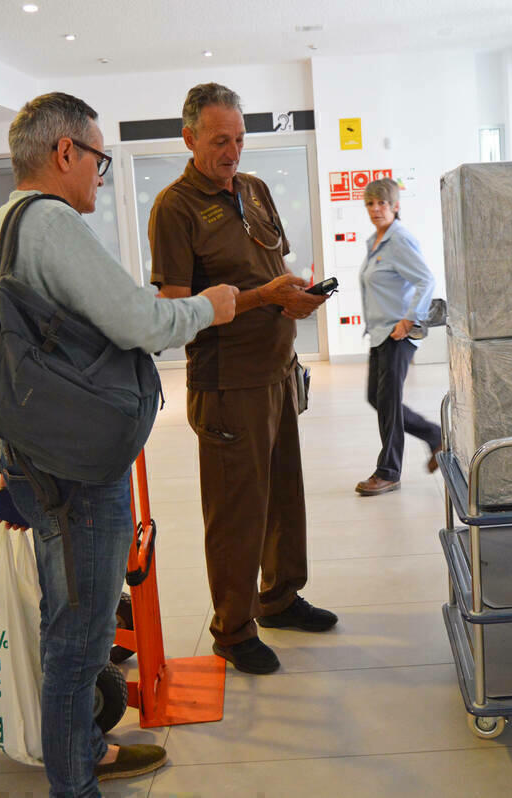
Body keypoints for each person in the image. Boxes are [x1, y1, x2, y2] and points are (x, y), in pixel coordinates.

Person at [0, 92, 238, 798]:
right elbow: (138, 319)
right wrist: (211, 307)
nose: (98, 174)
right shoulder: (50, 223)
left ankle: (86, 747)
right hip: (79, 468)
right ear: (65, 154)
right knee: (78, 639)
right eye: (97, 159)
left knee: (71, 616)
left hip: (32, 456)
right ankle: (75, 782)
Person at [149, 82, 337, 676]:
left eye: (239, 139)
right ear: (189, 138)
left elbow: (274, 266)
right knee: (237, 511)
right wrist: (263, 297)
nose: (232, 152)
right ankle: (232, 628)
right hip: (229, 384)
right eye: (219, 141)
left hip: (277, 369)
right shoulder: (174, 208)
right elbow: (176, 307)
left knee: (283, 495)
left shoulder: (252, 189)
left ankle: (278, 596)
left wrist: (294, 297)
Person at [354, 178, 443, 497]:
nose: (375, 209)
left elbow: (426, 280)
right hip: (380, 333)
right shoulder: (375, 241)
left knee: (388, 402)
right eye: (370, 203)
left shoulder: (400, 239)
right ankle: (435, 434)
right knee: (376, 399)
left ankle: (388, 472)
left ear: (395, 206)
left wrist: (409, 320)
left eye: (381, 203)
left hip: (398, 333)